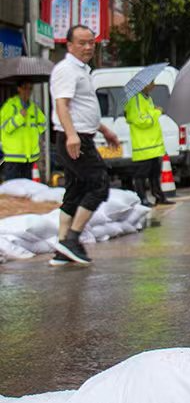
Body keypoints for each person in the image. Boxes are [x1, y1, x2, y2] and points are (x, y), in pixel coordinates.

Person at [49, 25, 120, 265]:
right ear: (69, 45)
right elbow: (62, 105)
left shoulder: (82, 70)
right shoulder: (67, 69)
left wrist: (104, 129)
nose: (88, 47)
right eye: (82, 42)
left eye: (91, 42)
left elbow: (82, 109)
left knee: (76, 190)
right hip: (75, 139)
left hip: (80, 135)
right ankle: (72, 240)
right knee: (99, 184)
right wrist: (72, 136)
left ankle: (61, 248)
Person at [123, 82, 167, 207]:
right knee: (141, 175)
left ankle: (159, 196)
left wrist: (153, 112)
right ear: (143, 85)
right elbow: (140, 120)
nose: (154, 85)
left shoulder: (147, 98)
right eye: (151, 82)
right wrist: (156, 112)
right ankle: (142, 199)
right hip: (143, 146)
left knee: (155, 173)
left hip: (153, 145)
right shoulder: (135, 99)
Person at [0, 81, 47, 181]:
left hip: (29, 157)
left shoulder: (33, 107)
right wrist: (20, 117)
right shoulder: (10, 106)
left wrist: (35, 131)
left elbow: (43, 124)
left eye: (30, 88)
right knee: (13, 190)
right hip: (14, 156)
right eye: (25, 88)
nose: (28, 91)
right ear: (19, 89)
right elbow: (5, 128)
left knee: (27, 190)